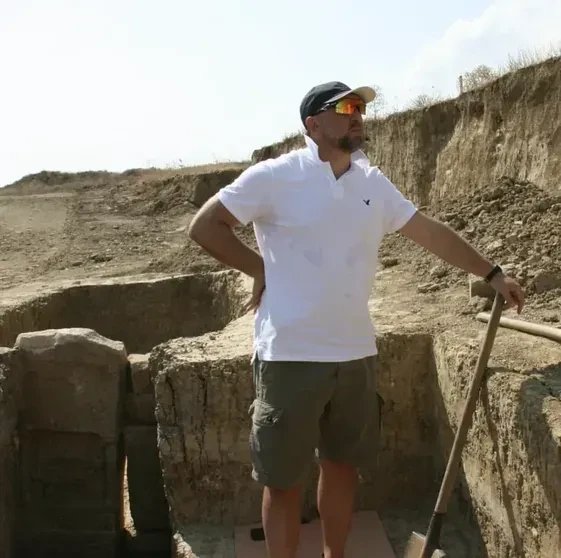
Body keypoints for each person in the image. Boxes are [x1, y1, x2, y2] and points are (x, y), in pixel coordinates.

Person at [187, 81, 525, 558]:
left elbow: (429, 233)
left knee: (343, 468)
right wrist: (260, 268)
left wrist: (491, 273)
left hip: (355, 354)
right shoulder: (276, 176)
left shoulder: (372, 183)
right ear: (313, 123)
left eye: (361, 108)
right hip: (289, 356)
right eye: (346, 107)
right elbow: (205, 226)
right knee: (282, 482)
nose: (358, 115)